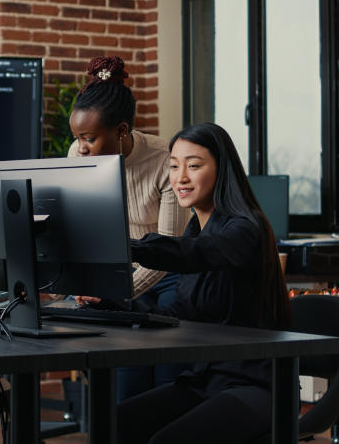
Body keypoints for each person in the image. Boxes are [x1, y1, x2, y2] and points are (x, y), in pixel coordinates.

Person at [117, 122, 292, 444]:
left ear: (221, 170)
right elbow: (179, 311)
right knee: (117, 423)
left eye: (193, 166)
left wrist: (125, 246)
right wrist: (115, 306)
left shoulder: (245, 228)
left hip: (255, 384)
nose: (180, 177)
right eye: (173, 166)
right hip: (205, 379)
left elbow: (198, 254)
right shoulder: (196, 230)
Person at [68, 56, 191, 400]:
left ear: (121, 130)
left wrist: (114, 288)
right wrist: (89, 280)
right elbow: (81, 229)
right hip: (116, 276)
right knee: (125, 383)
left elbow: (167, 250)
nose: (80, 148)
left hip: (166, 275)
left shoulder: (164, 159)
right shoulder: (79, 158)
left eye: (89, 138)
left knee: (166, 381)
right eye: (76, 137)